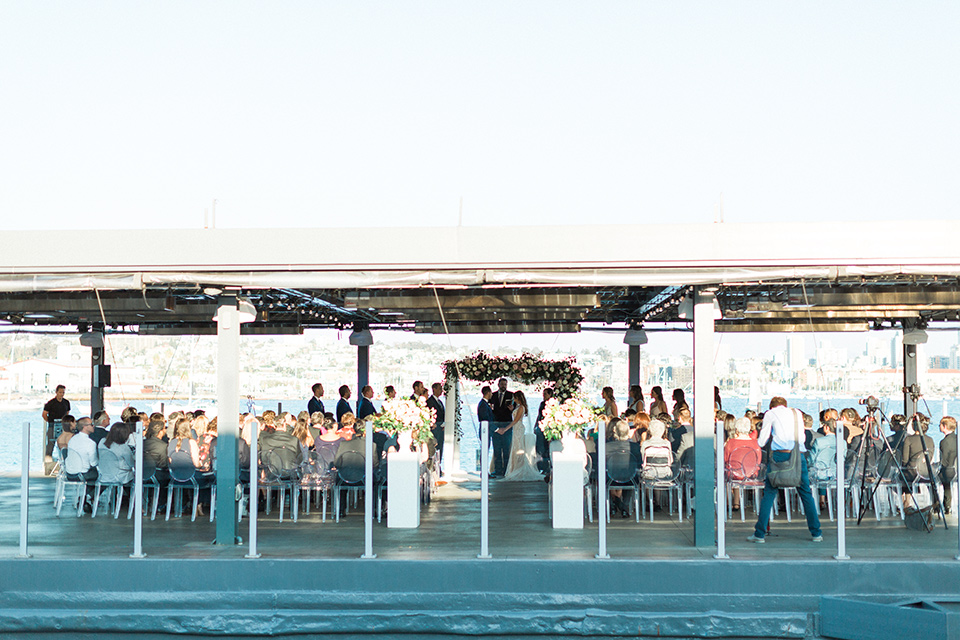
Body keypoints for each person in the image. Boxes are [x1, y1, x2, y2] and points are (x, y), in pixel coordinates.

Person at [748, 397, 822, 543]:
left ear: (772, 406)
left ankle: (759, 534)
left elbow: (762, 441)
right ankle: (816, 533)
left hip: (780, 455)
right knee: (806, 494)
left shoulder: (770, 413)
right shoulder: (797, 413)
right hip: (798, 455)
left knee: (769, 494)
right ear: (785, 405)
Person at [499, 391, 541, 482]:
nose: (513, 399)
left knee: (518, 447)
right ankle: (514, 468)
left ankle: (518, 468)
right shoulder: (518, 407)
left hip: (518, 429)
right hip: (516, 429)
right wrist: (512, 410)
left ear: (518, 398)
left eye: (514, 397)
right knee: (515, 447)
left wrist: (505, 429)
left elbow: (516, 421)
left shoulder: (521, 407)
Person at [42, 385, 71, 469]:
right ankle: (48, 464)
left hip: (63, 425)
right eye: (60, 392)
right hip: (53, 424)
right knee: (50, 443)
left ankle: (65, 463)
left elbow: (67, 413)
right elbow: (44, 414)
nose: (61, 394)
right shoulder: (51, 403)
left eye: (63, 393)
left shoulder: (66, 402)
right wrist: (50, 421)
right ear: (56, 392)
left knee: (64, 443)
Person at [490, 378, 514, 478]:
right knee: (497, 448)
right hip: (496, 425)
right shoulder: (493, 395)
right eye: (502, 384)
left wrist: (512, 409)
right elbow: (490, 407)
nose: (504, 386)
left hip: (507, 424)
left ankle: (506, 470)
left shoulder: (511, 395)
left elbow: (517, 409)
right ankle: (498, 469)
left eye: (505, 384)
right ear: (498, 385)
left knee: (506, 448)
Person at [63, 416, 98, 482]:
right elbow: (93, 463)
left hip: (69, 473)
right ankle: (91, 492)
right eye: (91, 424)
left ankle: (88, 492)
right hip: (83, 474)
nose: (93, 426)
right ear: (85, 427)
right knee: (99, 474)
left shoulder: (72, 439)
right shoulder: (90, 443)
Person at [938, 416, 957, 515]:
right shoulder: (957, 439)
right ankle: (947, 505)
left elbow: (944, 462)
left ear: (944, 426)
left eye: (940, 425)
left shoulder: (944, 442)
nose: (939, 426)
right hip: (957, 470)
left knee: (933, 479)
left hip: (949, 471)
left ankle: (937, 505)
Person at [426, 382, 445, 471]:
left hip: (440, 428)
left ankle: (438, 466)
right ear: (434, 389)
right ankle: (434, 467)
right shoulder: (430, 402)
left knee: (440, 447)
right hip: (435, 429)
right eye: (440, 388)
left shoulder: (440, 402)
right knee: (435, 447)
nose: (441, 391)